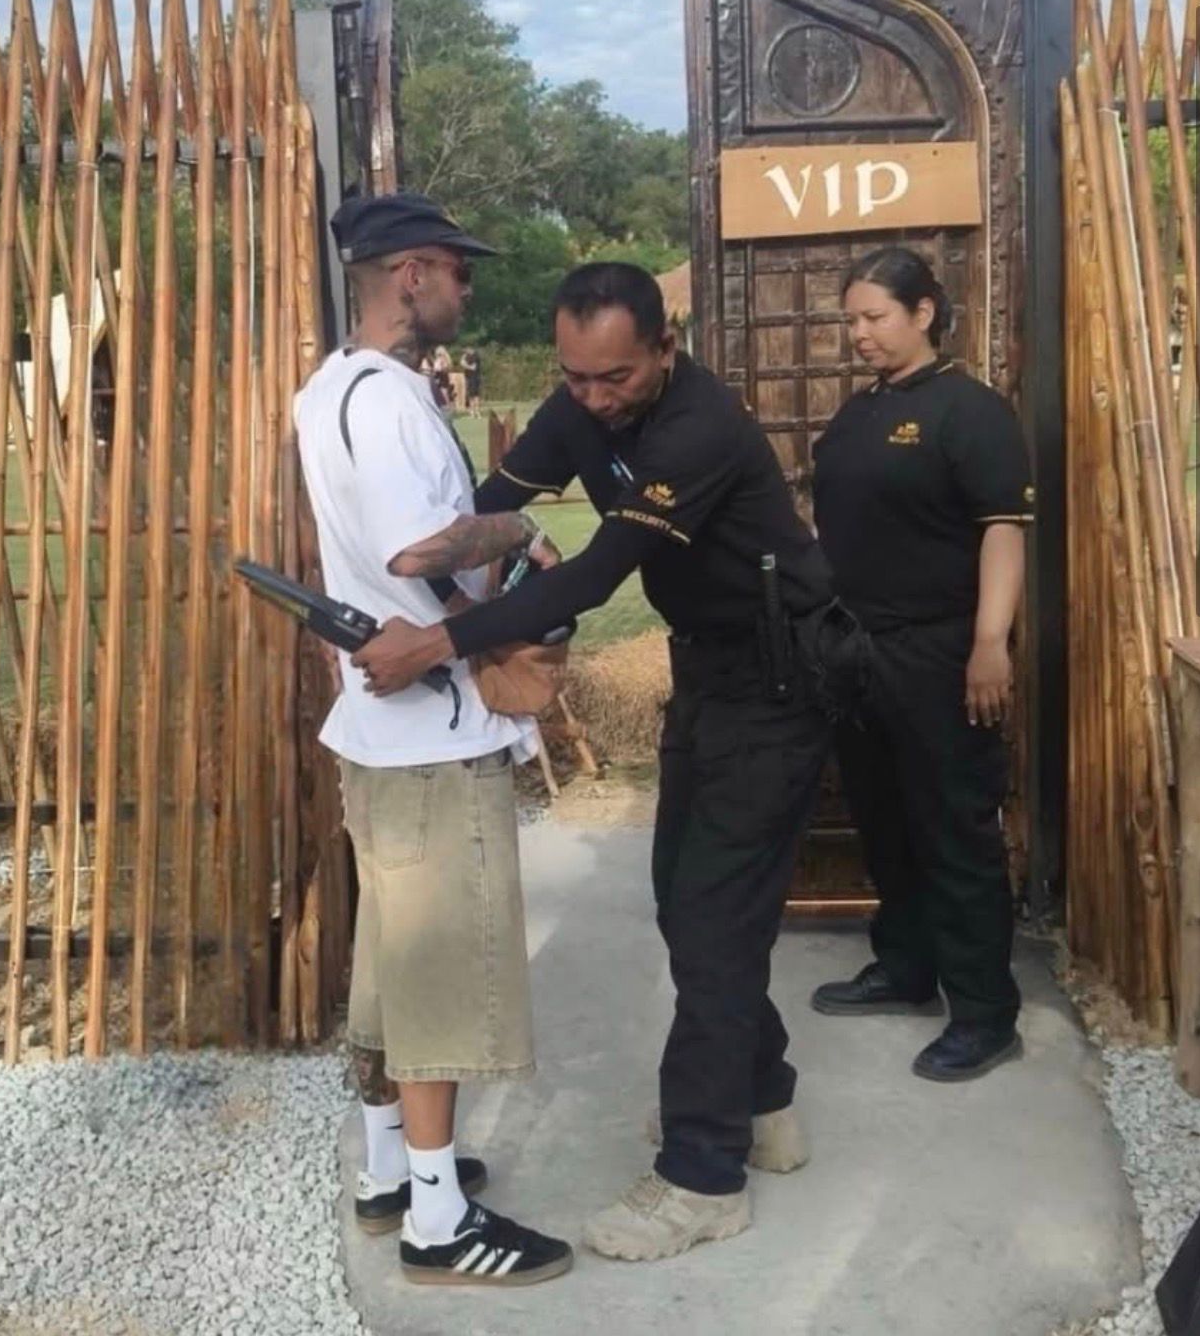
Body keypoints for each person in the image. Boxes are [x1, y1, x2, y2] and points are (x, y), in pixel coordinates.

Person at [349, 262, 835, 1263]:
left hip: (782, 684)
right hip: (707, 677)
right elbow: (490, 502)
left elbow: (600, 570)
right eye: (575, 377)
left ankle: (703, 1176)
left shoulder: (700, 426)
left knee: (713, 922)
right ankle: (762, 1101)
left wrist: (440, 641)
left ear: (665, 348)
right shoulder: (577, 411)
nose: (595, 398)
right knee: (687, 906)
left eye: (616, 377)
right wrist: (405, 560)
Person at [294, 190, 573, 1288]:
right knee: (444, 980)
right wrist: (523, 525)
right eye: (458, 269)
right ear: (410, 272)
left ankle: (389, 1174)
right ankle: (439, 1221)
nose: (467, 285)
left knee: (391, 965)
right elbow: (417, 550)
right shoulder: (394, 402)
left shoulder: (328, 388)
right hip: (433, 740)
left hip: (377, 736)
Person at [808, 246, 1033, 1082]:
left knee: (954, 829)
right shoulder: (859, 413)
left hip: (940, 652)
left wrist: (989, 642)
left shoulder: (970, 412)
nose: (859, 334)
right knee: (885, 820)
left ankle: (984, 1013)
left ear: (924, 312)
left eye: (875, 317)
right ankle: (906, 967)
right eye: (852, 320)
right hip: (859, 651)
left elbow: (1002, 530)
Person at [461, 345, 482, 415]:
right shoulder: (468, 356)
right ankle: (472, 410)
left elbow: (473, 367)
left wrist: (465, 365)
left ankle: (476, 411)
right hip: (469, 377)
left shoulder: (475, 356)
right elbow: (462, 362)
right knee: (471, 394)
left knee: (474, 395)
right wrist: (463, 360)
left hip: (474, 378)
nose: (465, 352)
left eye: (466, 350)